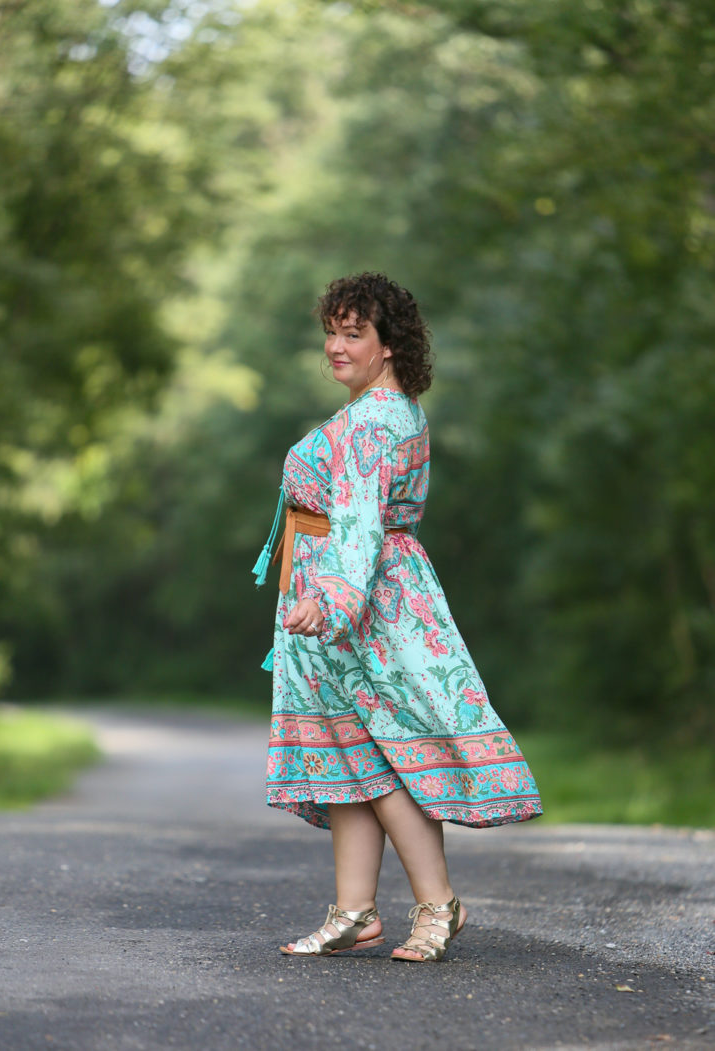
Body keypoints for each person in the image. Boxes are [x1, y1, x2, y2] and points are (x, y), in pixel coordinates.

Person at [253, 272, 542, 962]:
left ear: (389, 346)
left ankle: (439, 906)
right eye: (332, 330)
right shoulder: (396, 409)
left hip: (360, 601)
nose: (336, 345)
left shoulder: (373, 421)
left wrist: (330, 601)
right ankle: (354, 910)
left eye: (354, 333)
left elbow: (355, 522)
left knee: (384, 758)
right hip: (353, 590)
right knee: (351, 758)